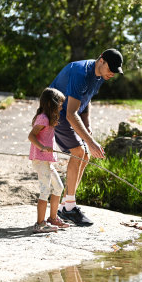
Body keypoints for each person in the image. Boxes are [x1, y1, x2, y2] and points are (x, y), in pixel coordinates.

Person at [50, 48, 123, 226]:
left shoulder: (99, 76)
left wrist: (87, 124)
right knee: (79, 150)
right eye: (110, 68)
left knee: (85, 155)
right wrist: (91, 142)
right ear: (101, 60)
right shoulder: (81, 73)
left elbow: (86, 99)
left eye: (115, 70)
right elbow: (70, 114)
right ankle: (69, 208)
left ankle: (66, 206)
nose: (112, 73)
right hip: (56, 113)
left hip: (70, 112)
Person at [28, 87, 72, 233]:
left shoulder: (49, 118)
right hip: (40, 160)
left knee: (58, 187)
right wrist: (42, 147)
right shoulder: (43, 118)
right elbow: (31, 136)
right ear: (50, 103)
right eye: (59, 103)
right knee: (45, 190)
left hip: (46, 160)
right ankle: (39, 224)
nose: (61, 106)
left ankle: (52, 218)